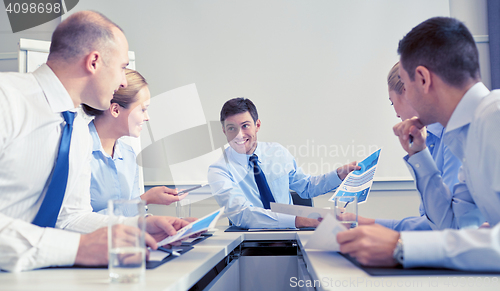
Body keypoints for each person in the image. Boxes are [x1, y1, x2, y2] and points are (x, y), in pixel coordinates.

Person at [0, 11, 189, 272]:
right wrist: (76, 249)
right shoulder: (6, 99)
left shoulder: (76, 127)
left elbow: (70, 217)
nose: (123, 81)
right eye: (122, 67)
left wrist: (138, 227)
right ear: (94, 62)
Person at [337, 17, 500, 271]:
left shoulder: (495, 119)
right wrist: (420, 155)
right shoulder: (468, 135)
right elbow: (453, 227)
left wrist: (402, 247)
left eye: (406, 83)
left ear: (423, 79)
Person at [207, 98, 360, 229]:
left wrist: (339, 175)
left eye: (245, 126)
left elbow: (306, 187)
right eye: (231, 128)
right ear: (224, 131)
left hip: (291, 236)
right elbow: (242, 215)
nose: (239, 135)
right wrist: (302, 220)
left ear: (257, 125)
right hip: (250, 243)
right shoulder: (219, 170)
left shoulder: (277, 152)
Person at [359, 62, 462, 231]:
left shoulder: (453, 135)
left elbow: (448, 225)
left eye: (393, 103)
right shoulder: (428, 139)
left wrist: (369, 224)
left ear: (407, 91)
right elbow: (433, 220)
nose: (397, 114)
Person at [82, 69, 187, 213]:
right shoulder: (79, 152)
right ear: (115, 110)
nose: (147, 117)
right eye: (142, 110)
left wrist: (160, 225)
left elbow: (133, 216)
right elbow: (75, 221)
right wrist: (144, 199)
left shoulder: (128, 155)